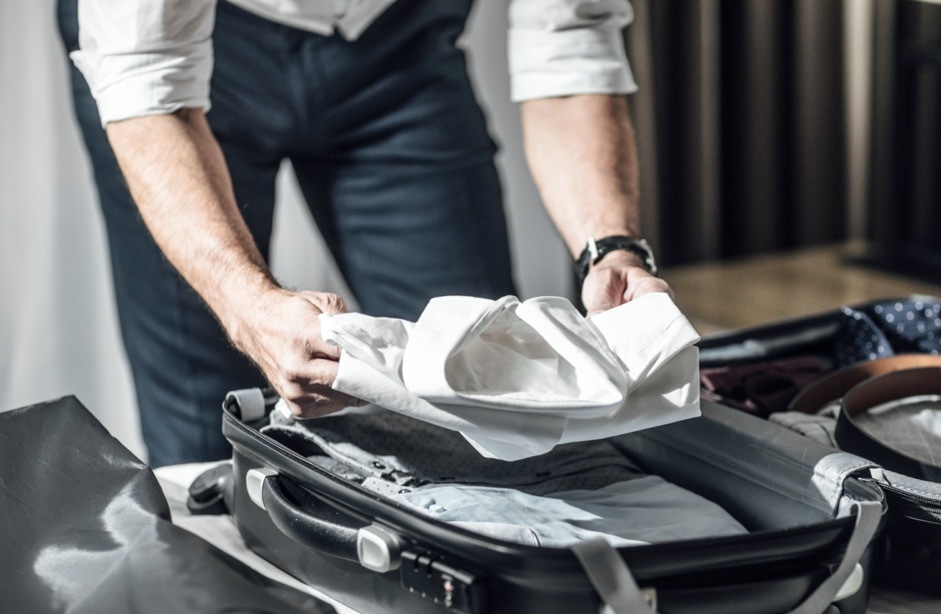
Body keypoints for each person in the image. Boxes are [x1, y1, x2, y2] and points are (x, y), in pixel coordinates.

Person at [58, 0, 670, 467]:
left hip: (398, 46)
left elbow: (567, 39)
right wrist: (250, 309)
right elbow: (146, 81)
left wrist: (610, 248)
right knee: (207, 434)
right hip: (185, 58)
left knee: (489, 392)